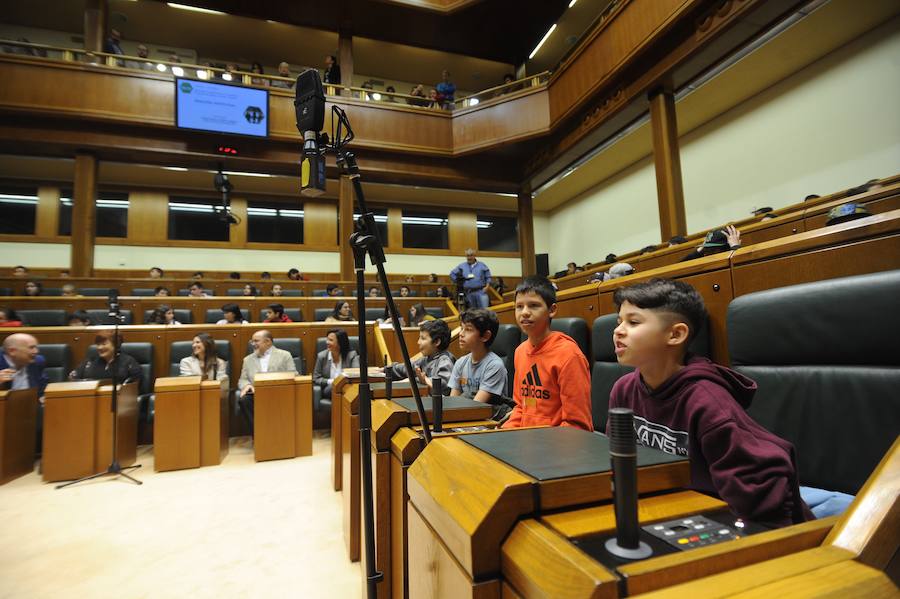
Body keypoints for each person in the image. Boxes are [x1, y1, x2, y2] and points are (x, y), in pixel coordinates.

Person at [609, 279, 826, 525]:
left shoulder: (707, 401)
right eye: (619, 322)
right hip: (671, 508)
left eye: (633, 322)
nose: (618, 330)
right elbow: (621, 462)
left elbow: (764, 483)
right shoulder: (623, 391)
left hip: (735, 516)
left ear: (675, 334)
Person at [502, 276, 592, 431]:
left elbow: (577, 425)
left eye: (534, 306)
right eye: (519, 306)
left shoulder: (569, 355)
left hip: (556, 447)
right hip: (525, 443)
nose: (524, 312)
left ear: (552, 310)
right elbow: (520, 407)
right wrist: (503, 435)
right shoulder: (520, 351)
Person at [449, 309, 510, 418]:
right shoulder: (460, 363)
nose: (461, 334)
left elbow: (476, 408)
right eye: (461, 328)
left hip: (488, 421)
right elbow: (453, 402)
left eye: (468, 329)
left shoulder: (495, 365)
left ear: (485, 336)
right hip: (465, 416)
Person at [237, 330, 298, 431]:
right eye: (252, 341)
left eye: (256, 341)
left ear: (268, 342)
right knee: (244, 400)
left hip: (279, 392)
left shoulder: (285, 355)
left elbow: (294, 374)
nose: (253, 344)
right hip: (257, 394)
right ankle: (258, 434)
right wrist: (247, 385)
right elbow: (243, 379)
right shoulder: (247, 360)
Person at [385, 319, 455, 392]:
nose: (418, 342)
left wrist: (414, 381)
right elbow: (406, 368)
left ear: (437, 342)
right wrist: (386, 370)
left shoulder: (445, 361)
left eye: (423, 338)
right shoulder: (426, 359)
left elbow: (443, 383)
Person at [71, 332, 142, 385]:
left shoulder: (128, 362)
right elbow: (73, 379)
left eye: (104, 344)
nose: (100, 347)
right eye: (98, 344)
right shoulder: (90, 362)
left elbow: (135, 384)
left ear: (115, 345)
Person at [312, 329, 359, 401]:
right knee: (331, 388)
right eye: (327, 339)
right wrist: (331, 382)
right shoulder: (322, 356)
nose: (327, 342)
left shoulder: (351, 356)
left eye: (331, 340)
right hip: (329, 391)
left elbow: (356, 375)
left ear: (340, 343)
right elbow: (316, 378)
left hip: (347, 388)